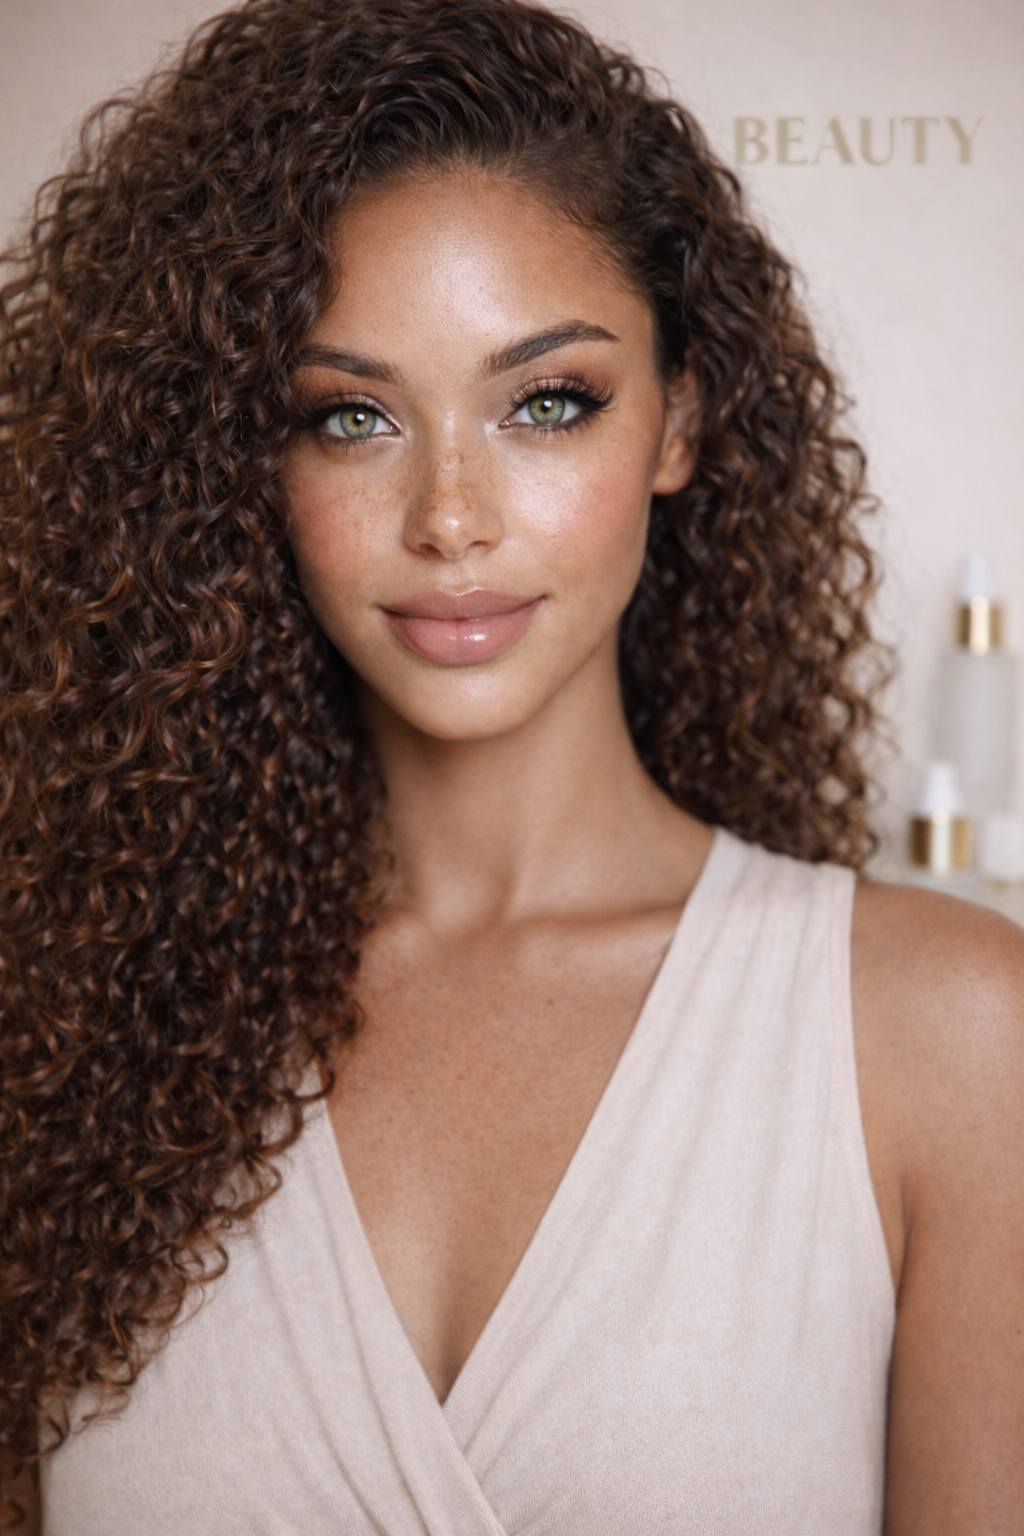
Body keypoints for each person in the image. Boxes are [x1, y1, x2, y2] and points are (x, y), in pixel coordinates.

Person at [1, 0, 1021, 1529]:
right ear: (238, 468)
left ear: (680, 418)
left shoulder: (943, 1040)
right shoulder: (67, 1029)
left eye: (548, 402)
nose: (453, 518)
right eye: (349, 417)